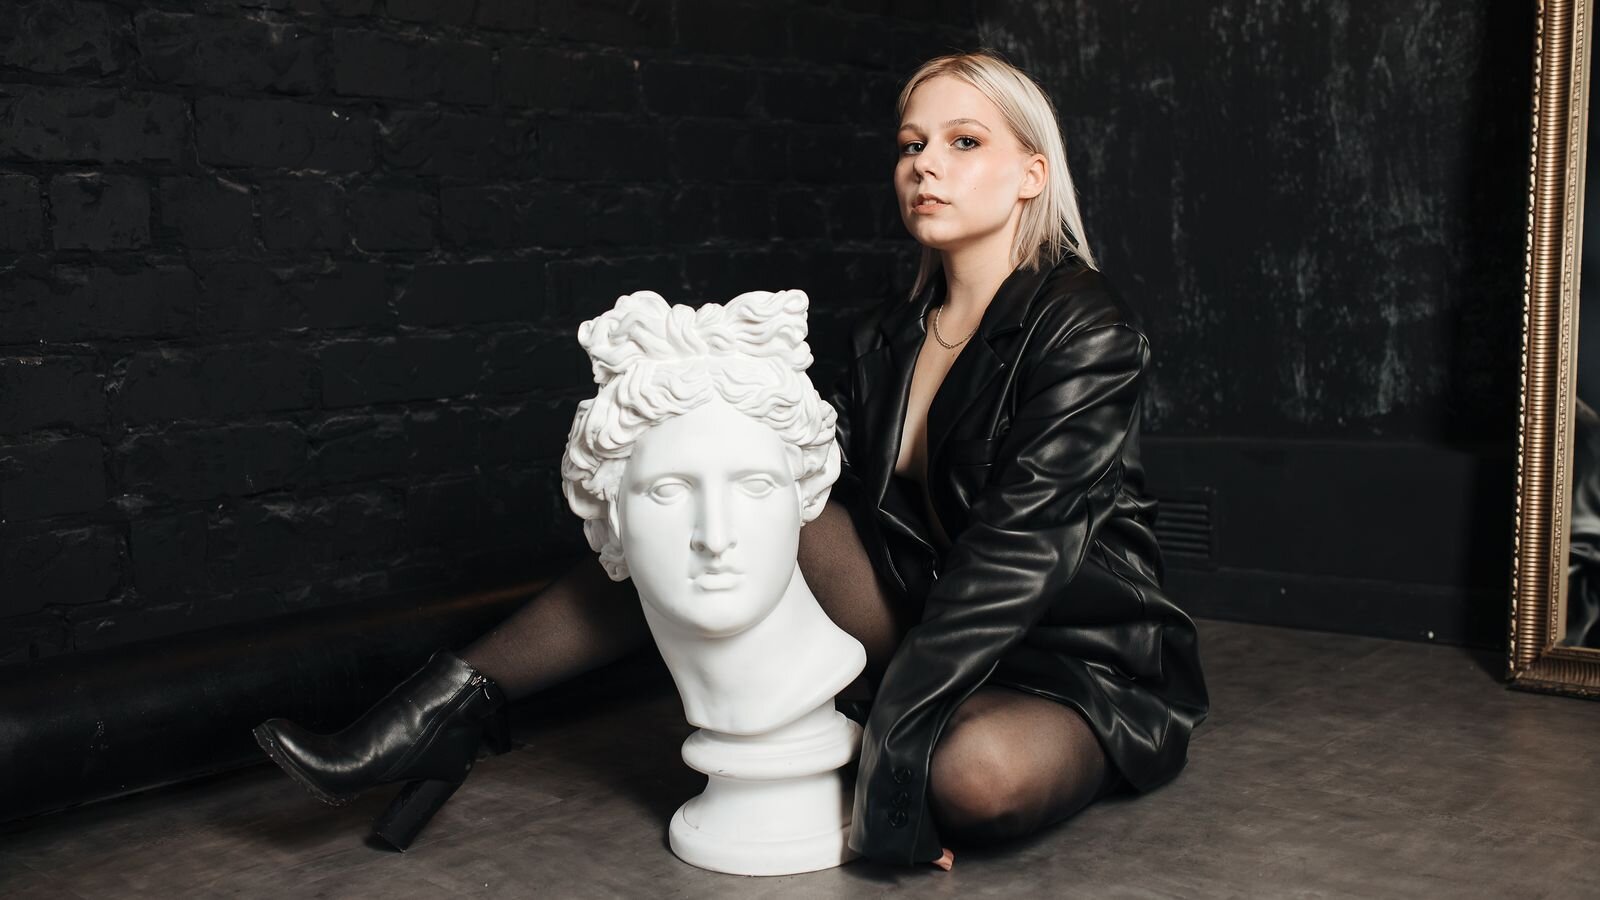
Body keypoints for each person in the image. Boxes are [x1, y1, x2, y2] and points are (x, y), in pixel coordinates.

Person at [252, 48, 1210, 869]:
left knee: (972, 779)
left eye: (964, 142)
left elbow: (1021, 551)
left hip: (1067, 651)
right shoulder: (889, 333)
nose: (926, 164)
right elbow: (818, 496)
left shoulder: (1084, 325)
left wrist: (895, 754)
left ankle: (964, 737)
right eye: (911, 144)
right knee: (702, 506)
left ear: (1032, 174)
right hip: (924, 616)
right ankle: (440, 710)